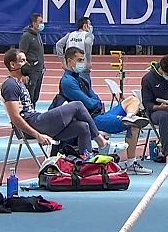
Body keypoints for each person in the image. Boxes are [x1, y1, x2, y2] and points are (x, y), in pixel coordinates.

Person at [1, 48, 127, 158]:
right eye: (22, 61)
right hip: (33, 124)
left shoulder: (19, 83)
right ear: (12, 65)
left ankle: (86, 162)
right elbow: (15, 117)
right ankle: (102, 144)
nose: (26, 64)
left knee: (83, 127)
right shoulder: (10, 85)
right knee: (77, 105)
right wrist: (37, 135)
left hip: (36, 120)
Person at [59, 47, 153, 175]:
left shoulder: (79, 78)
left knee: (132, 100)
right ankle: (131, 163)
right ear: (69, 61)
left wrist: (96, 102)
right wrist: (96, 103)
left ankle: (130, 116)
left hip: (99, 114)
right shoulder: (68, 82)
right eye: (79, 60)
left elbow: (94, 97)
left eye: (83, 60)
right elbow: (88, 102)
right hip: (92, 119)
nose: (83, 63)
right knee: (134, 125)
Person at [19, 13, 46, 108]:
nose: (43, 24)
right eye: (40, 22)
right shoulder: (26, 36)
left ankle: (32, 114)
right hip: (31, 71)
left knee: (35, 96)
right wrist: (23, 74)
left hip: (39, 71)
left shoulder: (38, 35)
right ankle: (27, 116)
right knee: (29, 96)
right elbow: (21, 55)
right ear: (34, 23)